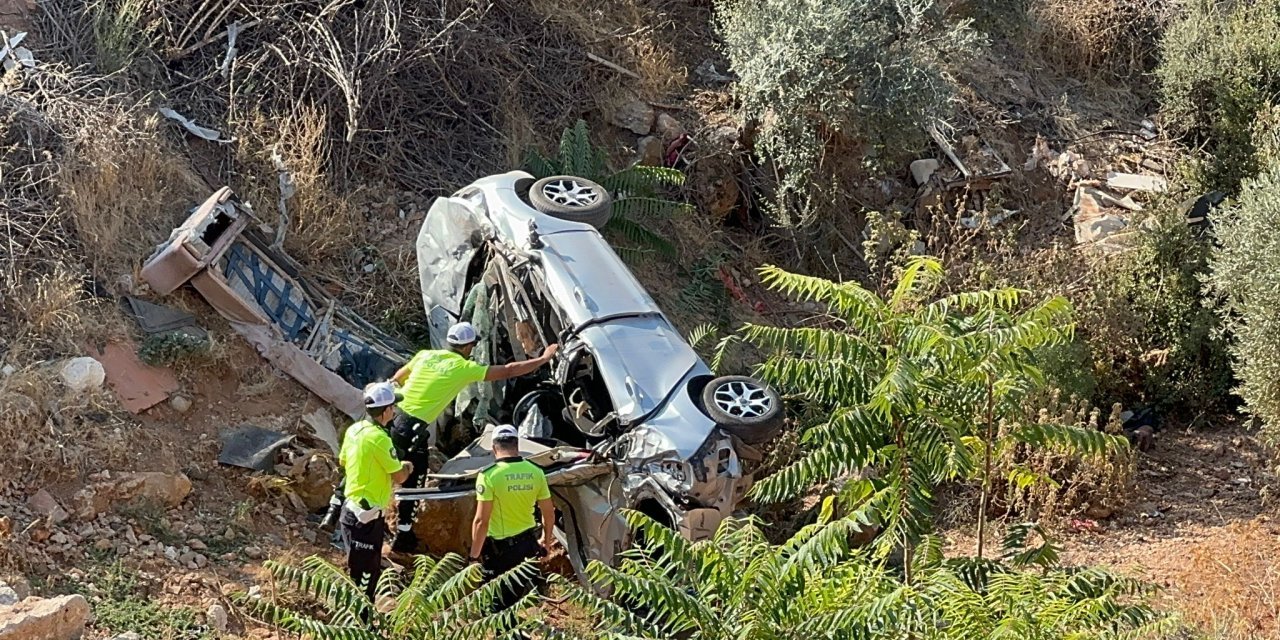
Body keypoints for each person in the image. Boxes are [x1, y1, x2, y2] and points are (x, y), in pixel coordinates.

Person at [386, 321, 557, 552]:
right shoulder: (464, 368)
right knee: (414, 476)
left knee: (384, 464)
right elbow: (508, 370)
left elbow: (399, 376)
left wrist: (391, 388)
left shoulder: (426, 355)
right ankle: (403, 535)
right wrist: (543, 359)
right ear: (467, 347)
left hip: (392, 415)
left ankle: (339, 508)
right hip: (411, 427)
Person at [337, 382, 413, 603]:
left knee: (359, 567)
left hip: (351, 510)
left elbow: (344, 460)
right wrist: (407, 466)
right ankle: (359, 623)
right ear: (386, 410)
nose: (396, 411)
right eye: (393, 407)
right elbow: (399, 477)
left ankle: (357, 618)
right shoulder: (380, 438)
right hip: (366, 517)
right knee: (364, 576)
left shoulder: (354, 430)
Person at [468, 424, 556, 614]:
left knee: (496, 608)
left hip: (498, 551)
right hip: (527, 545)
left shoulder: (488, 476)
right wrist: (546, 541)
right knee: (517, 600)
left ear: (494, 448)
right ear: (517, 445)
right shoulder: (536, 472)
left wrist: (474, 557)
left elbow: (481, 521)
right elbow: (549, 513)